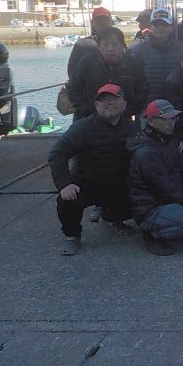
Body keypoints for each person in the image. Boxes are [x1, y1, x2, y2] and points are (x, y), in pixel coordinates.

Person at [49, 84, 139, 255]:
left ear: (124, 104)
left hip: (119, 184)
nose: (109, 103)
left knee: (144, 194)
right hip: (87, 183)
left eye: (114, 99)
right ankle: (72, 236)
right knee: (67, 199)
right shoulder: (82, 128)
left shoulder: (132, 128)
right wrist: (64, 184)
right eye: (104, 100)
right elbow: (57, 154)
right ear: (97, 105)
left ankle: (114, 217)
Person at [127, 99, 183, 255]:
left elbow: (179, 161)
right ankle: (153, 235)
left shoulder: (162, 140)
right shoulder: (147, 153)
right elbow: (167, 188)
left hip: (166, 203)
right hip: (151, 209)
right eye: (166, 119)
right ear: (151, 121)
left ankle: (174, 225)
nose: (171, 123)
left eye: (174, 118)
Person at [67, 26, 148, 120]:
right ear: (99, 47)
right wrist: (86, 110)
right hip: (89, 117)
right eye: (105, 44)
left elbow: (143, 90)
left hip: (123, 118)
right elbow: (73, 87)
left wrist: (128, 111)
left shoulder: (133, 64)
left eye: (115, 44)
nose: (110, 49)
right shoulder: (86, 62)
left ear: (122, 46)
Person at [129, 8, 183, 104]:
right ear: (151, 27)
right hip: (147, 105)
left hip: (176, 105)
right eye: (156, 24)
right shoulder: (138, 50)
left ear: (171, 28)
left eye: (164, 25)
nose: (160, 28)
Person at [67, 6, 113, 77]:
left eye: (105, 20)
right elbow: (71, 70)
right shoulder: (81, 44)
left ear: (111, 22)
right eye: (98, 20)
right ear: (92, 23)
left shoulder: (118, 43)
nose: (102, 23)